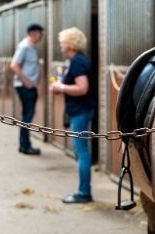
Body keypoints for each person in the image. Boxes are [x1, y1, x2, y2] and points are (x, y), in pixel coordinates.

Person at [49, 27, 95, 204]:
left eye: (62, 43)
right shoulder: (77, 61)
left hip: (80, 111)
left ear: (70, 44)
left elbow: (82, 88)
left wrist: (61, 87)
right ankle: (84, 190)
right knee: (80, 150)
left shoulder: (78, 62)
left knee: (82, 151)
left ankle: (84, 192)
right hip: (79, 110)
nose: (60, 47)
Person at [10, 23, 44, 155]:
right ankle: (25, 145)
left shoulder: (32, 47)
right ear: (33, 33)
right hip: (25, 87)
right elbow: (14, 65)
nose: (41, 36)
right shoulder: (24, 46)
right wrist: (27, 82)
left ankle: (24, 144)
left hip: (29, 86)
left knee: (27, 115)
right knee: (27, 116)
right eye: (39, 33)